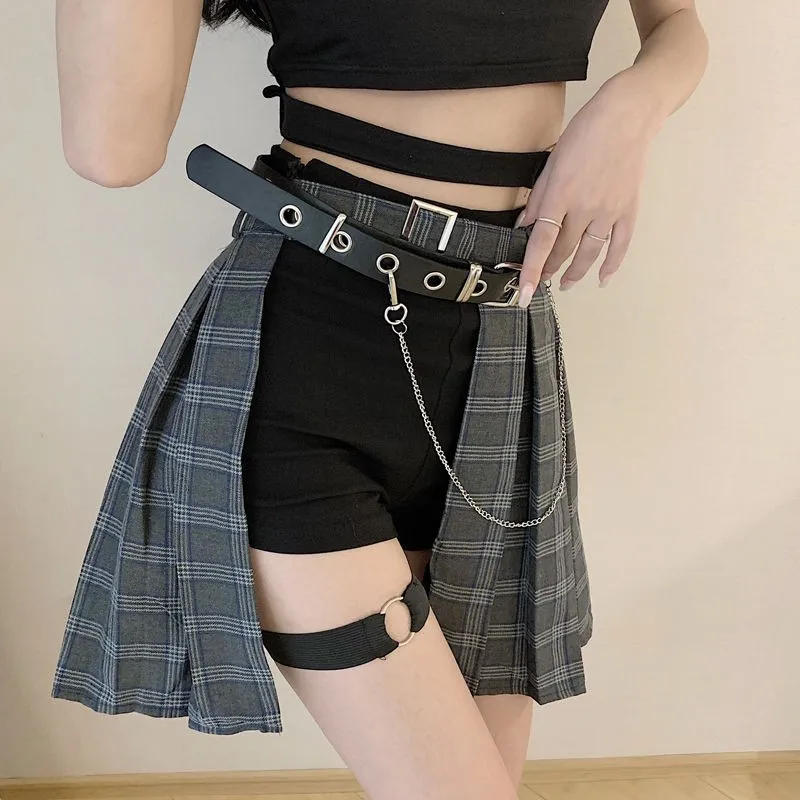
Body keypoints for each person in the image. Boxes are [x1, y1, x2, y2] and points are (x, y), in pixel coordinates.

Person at [51, 2, 709, 799]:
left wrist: (633, 105)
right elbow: (111, 149)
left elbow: (677, 24)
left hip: (502, 351)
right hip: (313, 347)